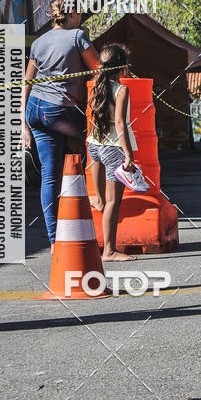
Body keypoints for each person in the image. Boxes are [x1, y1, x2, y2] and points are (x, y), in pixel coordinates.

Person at [22, 0, 100, 249]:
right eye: (80, 13)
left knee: (49, 175)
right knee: (98, 142)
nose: (82, 17)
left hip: (35, 110)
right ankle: (97, 203)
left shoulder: (39, 42)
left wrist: (23, 124)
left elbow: (27, 83)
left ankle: (55, 241)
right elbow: (99, 70)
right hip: (60, 111)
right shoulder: (78, 36)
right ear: (73, 13)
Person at [87, 44, 138, 262]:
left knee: (102, 200)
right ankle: (109, 251)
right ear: (123, 67)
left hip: (94, 144)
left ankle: (95, 201)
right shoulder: (122, 90)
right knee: (113, 202)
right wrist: (129, 154)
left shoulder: (96, 86)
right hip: (113, 147)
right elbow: (120, 123)